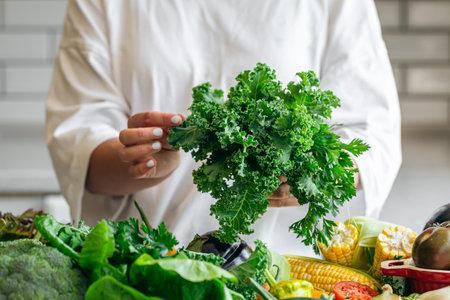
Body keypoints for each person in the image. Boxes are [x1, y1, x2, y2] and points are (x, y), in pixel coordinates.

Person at [46, 0, 401, 256]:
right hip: (151, 265)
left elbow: (373, 134)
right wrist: (143, 162)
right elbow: (79, 143)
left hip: (293, 275)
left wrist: (313, 174)